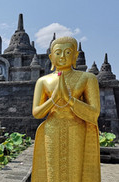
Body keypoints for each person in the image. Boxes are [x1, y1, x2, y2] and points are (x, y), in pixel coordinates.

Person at [31, 37, 100, 182]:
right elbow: (37, 113)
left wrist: (70, 100)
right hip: (52, 129)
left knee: (75, 172)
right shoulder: (43, 81)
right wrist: (53, 100)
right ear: (51, 57)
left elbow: (94, 112)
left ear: (75, 56)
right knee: (53, 172)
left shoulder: (87, 78)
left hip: (76, 127)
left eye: (68, 52)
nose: (62, 56)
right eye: (58, 52)